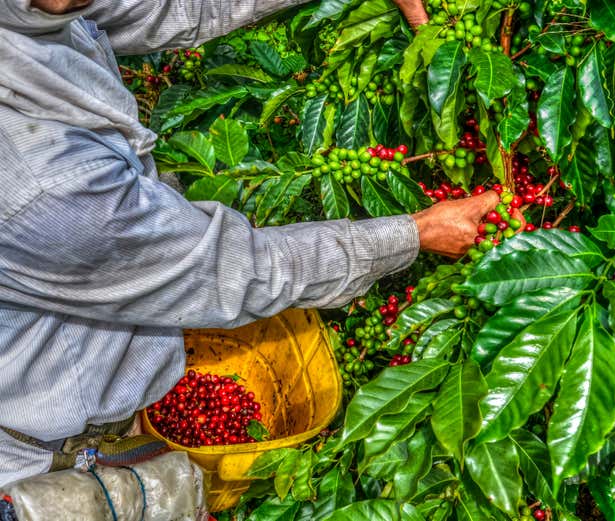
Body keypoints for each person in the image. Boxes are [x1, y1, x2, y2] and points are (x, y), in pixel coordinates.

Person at [0, 0, 499, 486]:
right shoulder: (42, 185)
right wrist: (415, 233)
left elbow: (173, 9)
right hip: (49, 455)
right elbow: (235, 270)